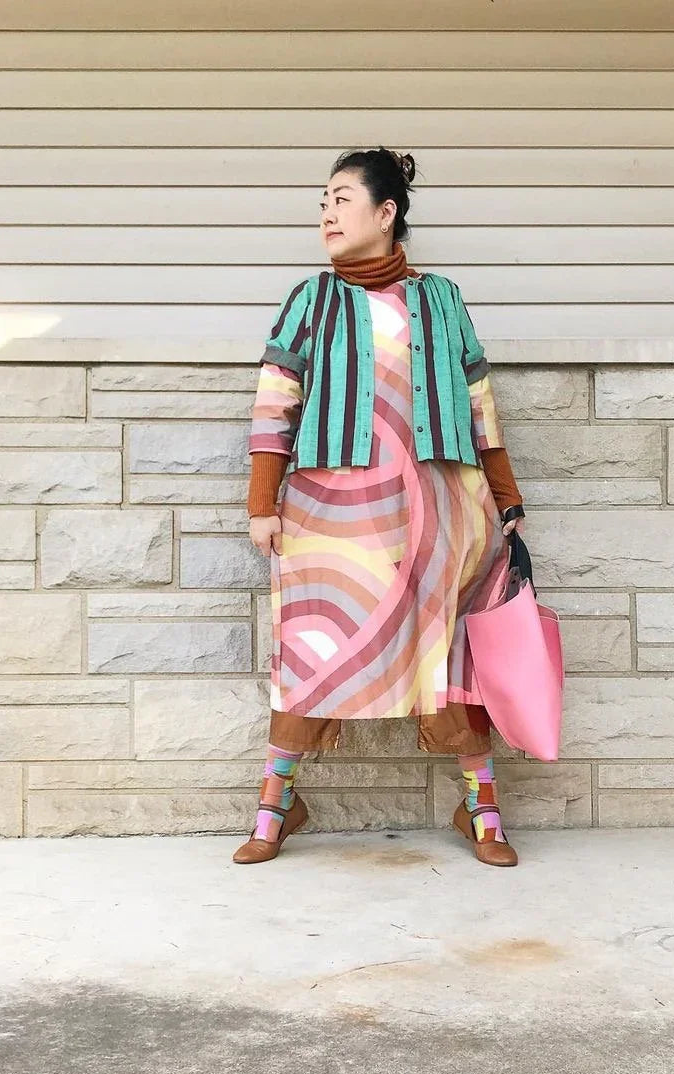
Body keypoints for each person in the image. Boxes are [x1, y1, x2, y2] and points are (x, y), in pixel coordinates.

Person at [233, 147, 526, 868]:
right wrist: (262, 500)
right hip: (331, 515)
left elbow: (480, 402)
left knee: (445, 648)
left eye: (340, 199)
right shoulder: (311, 298)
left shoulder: (442, 299)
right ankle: (277, 803)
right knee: (312, 645)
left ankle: (480, 807)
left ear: (386, 212)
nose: (326, 214)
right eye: (322, 203)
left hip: (438, 506)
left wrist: (507, 493)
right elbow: (276, 400)